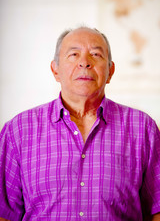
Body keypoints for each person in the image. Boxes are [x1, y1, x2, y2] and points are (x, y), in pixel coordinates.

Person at [0, 26, 160, 221]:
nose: (85, 63)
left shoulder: (142, 129)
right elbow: (5, 213)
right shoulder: (19, 130)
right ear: (55, 70)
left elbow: (156, 211)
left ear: (110, 71)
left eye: (96, 54)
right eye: (74, 54)